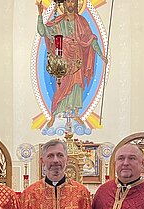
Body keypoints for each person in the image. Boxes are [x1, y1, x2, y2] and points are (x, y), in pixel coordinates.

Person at [36, 0, 107, 128]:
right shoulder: (58, 22)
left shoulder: (82, 22)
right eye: (67, 2)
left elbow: (91, 39)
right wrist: (40, 15)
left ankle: (75, 113)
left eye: (72, 2)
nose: (70, 4)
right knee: (62, 85)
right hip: (64, 59)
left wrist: (101, 54)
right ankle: (54, 114)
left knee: (77, 84)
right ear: (64, 5)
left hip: (78, 58)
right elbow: (42, 31)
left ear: (76, 4)